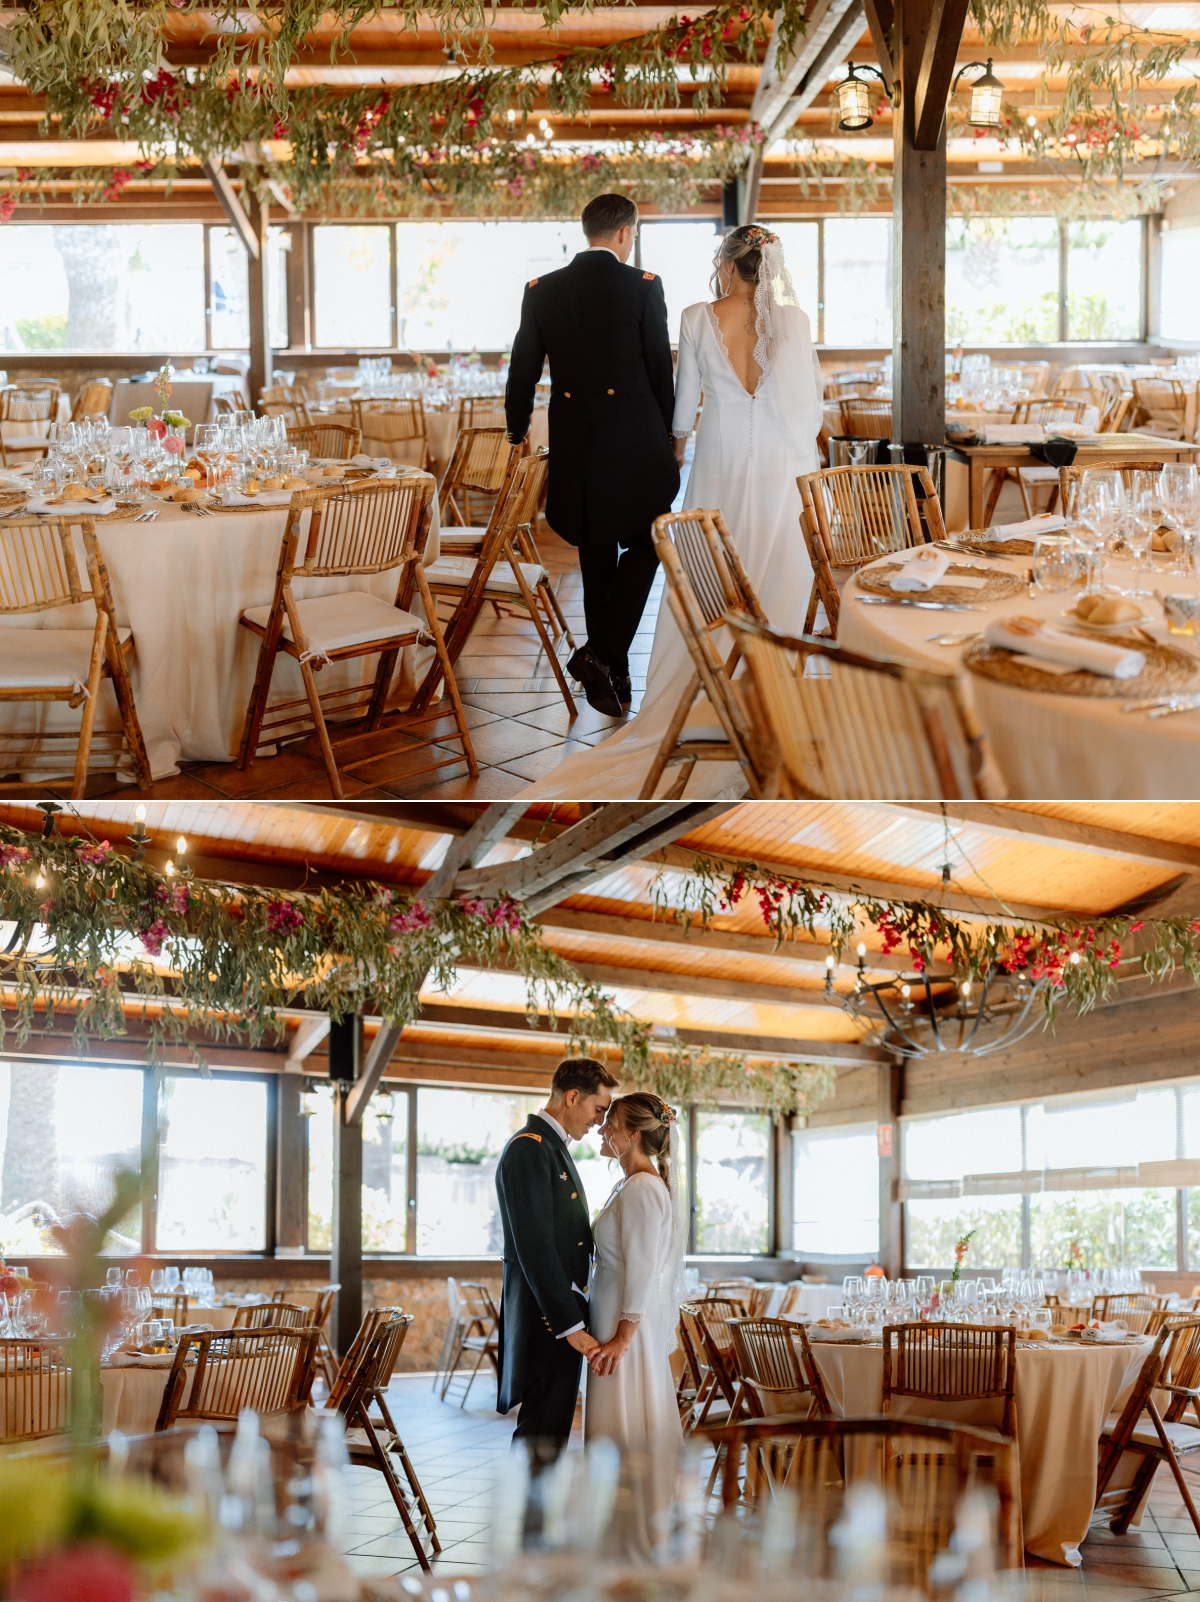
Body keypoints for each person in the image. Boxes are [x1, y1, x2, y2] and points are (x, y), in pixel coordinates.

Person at [521, 224, 824, 799]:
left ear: (729, 264)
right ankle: (769, 702)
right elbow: (809, 408)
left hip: (721, 456)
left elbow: (682, 410)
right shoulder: (797, 322)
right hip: (783, 464)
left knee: (713, 578)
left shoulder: (695, 316)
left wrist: (673, 451)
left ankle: (708, 689)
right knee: (775, 569)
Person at [505, 193, 679, 718]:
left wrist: (517, 432)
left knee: (596, 547)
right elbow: (658, 370)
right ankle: (606, 661)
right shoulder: (643, 286)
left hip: (578, 440)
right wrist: (672, 434)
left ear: (588, 232)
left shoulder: (542, 290)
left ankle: (609, 668)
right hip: (635, 437)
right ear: (625, 233)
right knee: (651, 538)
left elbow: (522, 372)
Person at [494, 1056, 618, 1456]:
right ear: (572, 1096)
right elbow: (536, 1247)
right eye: (598, 1109)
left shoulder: (550, 1147)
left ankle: (537, 1516)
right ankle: (529, 1517)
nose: (600, 1121)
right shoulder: (529, 1149)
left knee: (551, 1434)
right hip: (547, 1319)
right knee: (541, 1435)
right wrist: (568, 1325)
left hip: (560, 1314)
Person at [585, 1091, 686, 1563]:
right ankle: (614, 1524)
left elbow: (644, 1268)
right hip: (611, 1315)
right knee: (614, 1420)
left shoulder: (645, 1188)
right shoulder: (630, 1185)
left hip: (625, 1327)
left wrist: (623, 1336)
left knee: (624, 1421)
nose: (603, 1128)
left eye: (612, 1122)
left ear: (633, 1135)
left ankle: (634, 1526)